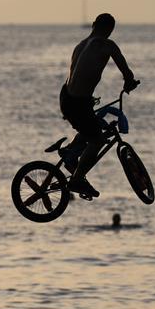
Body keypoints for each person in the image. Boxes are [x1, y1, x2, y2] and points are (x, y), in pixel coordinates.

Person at [59, 13, 139, 198]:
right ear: (110, 30)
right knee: (97, 140)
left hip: (69, 98)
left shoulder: (80, 45)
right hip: (78, 103)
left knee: (91, 126)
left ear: (93, 25)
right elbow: (125, 70)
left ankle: (70, 152)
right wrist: (130, 82)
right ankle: (77, 180)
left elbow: (79, 76)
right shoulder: (107, 45)